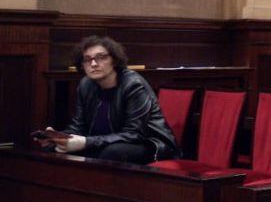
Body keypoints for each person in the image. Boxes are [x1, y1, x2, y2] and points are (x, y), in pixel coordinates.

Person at [33, 36, 177, 164]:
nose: (94, 64)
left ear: (114, 60)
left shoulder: (133, 84)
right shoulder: (85, 85)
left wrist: (86, 142)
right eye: (87, 60)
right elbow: (78, 127)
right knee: (53, 149)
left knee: (113, 152)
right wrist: (58, 137)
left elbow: (135, 134)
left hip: (149, 145)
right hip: (104, 143)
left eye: (101, 57)